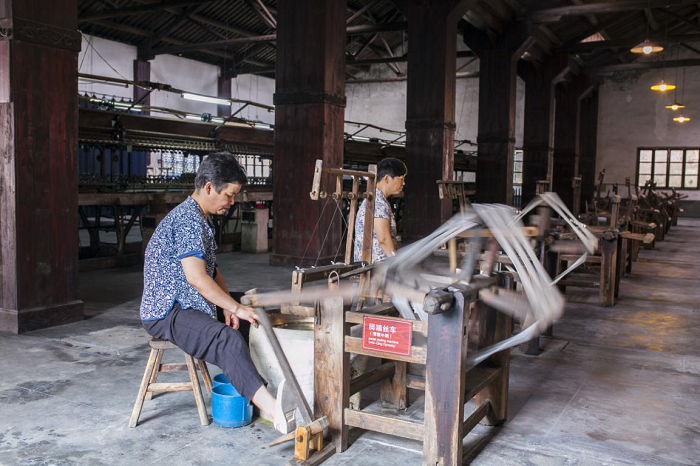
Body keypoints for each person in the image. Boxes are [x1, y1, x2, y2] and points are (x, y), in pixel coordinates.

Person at [139, 152, 296, 434]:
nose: (232, 202)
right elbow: (197, 279)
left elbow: (212, 271)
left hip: (189, 302)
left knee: (252, 307)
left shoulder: (201, 217)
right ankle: (275, 412)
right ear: (209, 187)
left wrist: (231, 305)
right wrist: (233, 309)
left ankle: (263, 385)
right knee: (226, 339)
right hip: (167, 311)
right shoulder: (187, 220)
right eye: (229, 195)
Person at [353, 157, 406, 263]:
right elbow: (384, 240)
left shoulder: (377, 198)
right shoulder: (378, 203)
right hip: (375, 266)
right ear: (387, 178)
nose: (403, 183)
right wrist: (397, 262)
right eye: (401, 178)